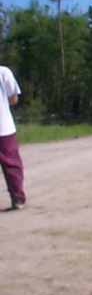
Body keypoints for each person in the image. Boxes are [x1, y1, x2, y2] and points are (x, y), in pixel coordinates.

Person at [0, 65, 26, 210]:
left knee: (11, 165)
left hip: (4, 127)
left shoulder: (4, 72)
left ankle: (17, 197)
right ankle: (17, 198)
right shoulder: (4, 72)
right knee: (11, 165)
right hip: (4, 127)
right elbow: (13, 99)